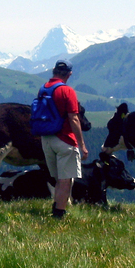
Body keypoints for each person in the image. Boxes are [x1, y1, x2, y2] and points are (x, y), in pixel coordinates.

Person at [39, 60, 88, 219]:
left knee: (57, 177)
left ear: (53, 71)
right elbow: (74, 119)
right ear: (69, 74)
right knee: (66, 179)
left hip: (46, 139)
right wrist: (82, 145)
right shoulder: (68, 91)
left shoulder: (44, 89)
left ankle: (57, 204)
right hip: (65, 140)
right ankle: (58, 214)